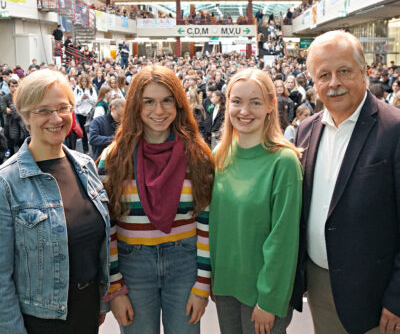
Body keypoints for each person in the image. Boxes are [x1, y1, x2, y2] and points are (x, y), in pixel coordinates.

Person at [291, 30, 400, 334]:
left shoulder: (394, 130)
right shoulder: (307, 130)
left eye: (343, 71)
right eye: (323, 75)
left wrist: (397, 298)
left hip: (376, 295)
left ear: (365, 73)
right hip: (321, 284)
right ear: (313, 82)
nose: (334, 83)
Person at [98, 65, 214, 334]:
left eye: (166, 101)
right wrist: (115, 289)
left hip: (184, 265)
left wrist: (202, 284)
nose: (159, 111)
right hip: (132, 266)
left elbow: (206, 224)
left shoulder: (198, 156)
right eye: (148, 102)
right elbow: (109, 229)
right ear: (134, 106)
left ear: (179, 104)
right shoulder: (113, 159)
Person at [0, 69, 110, 333]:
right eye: (43, 110)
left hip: (87, 310)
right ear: (25, 116)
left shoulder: (85, 166)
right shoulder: (7, 182)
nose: (56, 118)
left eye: (63, 108)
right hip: (39, 321)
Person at [209, 68, 302, 334]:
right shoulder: (220, 154)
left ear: (272, 106)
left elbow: (283, 239)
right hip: (225, 287)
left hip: (262, 295)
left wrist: (269, 299)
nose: (244, 111)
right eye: (236, 101)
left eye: (255, 102)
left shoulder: (283, 161)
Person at [0, 78, 28, 156]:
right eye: (12, 86)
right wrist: (17, 110)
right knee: (11, 142)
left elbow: (25, 109)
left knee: (22, 141)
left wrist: (12, 109)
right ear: (9, 87)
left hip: (21, 122)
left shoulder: (22, 97)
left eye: (16, 86)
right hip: (10, 123)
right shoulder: (5, 97)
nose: (15, 88)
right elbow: (5, 110)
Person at [74, 73, 97, 153]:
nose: (84, 83)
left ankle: (93, 148)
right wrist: (81, 98)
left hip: (89, 113)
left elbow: (95, 100)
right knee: (83, 133)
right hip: (80, 113)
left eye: (85, 81)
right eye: (82, 81)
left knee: (91, 130)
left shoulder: (91, 89)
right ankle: (85, 149)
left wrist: (88, 97)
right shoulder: (77, 89)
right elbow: (75, 102)